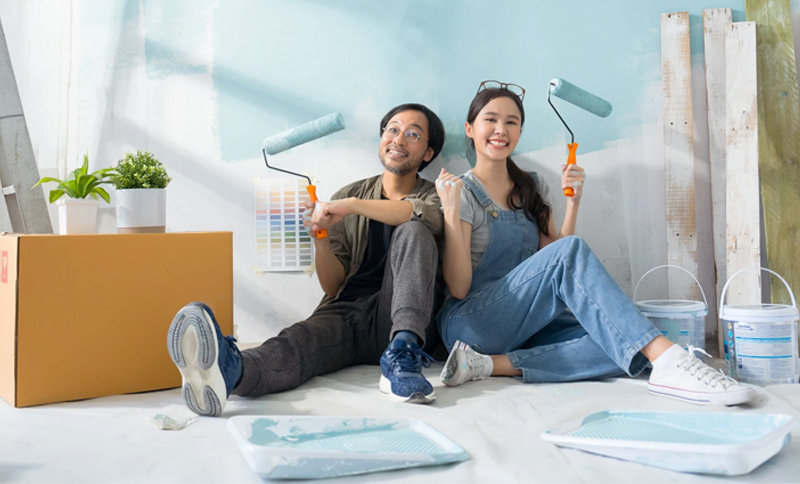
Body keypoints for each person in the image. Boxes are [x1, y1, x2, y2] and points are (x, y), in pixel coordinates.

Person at [434, 81, 755, 406]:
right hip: (471, 324)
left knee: (619, 340)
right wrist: (450, 211)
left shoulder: (530, 186)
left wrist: (574, 202)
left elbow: (554, 261)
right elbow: (459, 288)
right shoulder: (461, 191)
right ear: (470, 129)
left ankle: (488, 365)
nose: (500, 129)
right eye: (490, 119)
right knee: (630, 335)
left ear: (519, 131)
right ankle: (671, 362)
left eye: (511, 121)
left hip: (524, 324)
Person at [167, 103, 446, 416]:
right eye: (392, 129)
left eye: (412, 134)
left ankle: (403, 356)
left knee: (414, 230)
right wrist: (321, 238)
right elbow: (333, 285)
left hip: (399, 320)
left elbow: (418, 214)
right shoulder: (351, 191)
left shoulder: (435, 195)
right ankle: (231, 371)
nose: (398, 139)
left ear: (428, 153)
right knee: (298, 340)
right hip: (349, 314)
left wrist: (353, 206)